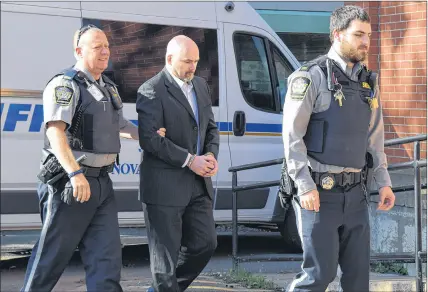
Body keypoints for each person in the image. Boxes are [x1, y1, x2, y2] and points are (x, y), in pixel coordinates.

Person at [21, 25, 165, 292]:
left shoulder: (108, 87)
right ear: (79, 50)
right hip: (69, 184)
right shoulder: (65, 84)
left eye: (107, 46)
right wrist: (75, 174)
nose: (105, 51)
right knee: (49, 261)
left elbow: (122, 127)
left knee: (107, 261)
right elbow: (55, 132)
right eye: (97, 46)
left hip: (101, 185)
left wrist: (151, 136)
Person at [282, 5, 396, 291]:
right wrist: (304, 185)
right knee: (318, 276)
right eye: (358, 35)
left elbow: (374, 138)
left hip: (356, 194)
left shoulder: (368, 83)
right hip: (319, 194)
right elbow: (292, 137)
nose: (366, 42)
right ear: (336, 35)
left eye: (368, 35)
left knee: (358, 281)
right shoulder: (310, 77)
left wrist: (383, 182)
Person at [136, 35, 220, 292]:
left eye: (195, 61)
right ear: (169, 59)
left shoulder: (201, 86)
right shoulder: (151, 89)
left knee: (206, 244)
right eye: (187, 62)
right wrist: (189, 160)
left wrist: (210, 155)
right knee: (164, 261)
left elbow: (211, 127)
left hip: (198, 184)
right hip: (164, 186)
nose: (192, 67)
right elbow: (150, 140)